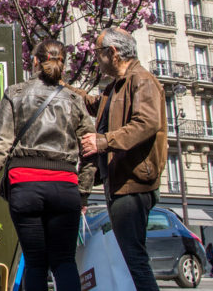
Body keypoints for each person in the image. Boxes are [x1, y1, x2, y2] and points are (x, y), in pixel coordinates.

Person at [0, 38, 96, 291]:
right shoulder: (74, 100)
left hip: (25, 185)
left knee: (35, 262)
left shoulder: (16, 93)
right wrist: (84, 194)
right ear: (62, 64)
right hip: (65, 186)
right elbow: (90, 149)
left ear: (34, 61)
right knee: (64, 261)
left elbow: (0, 140)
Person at [69, 27, 167, 291]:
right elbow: (94, 104)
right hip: (121, 182)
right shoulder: (116, 87)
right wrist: (62, 87)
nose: (96, 61)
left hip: (133, 185)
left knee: (134, 259)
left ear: (112, 53)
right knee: (130, 258)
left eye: (98, 54)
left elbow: (146, 123)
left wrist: (103, 141)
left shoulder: (142, 80)